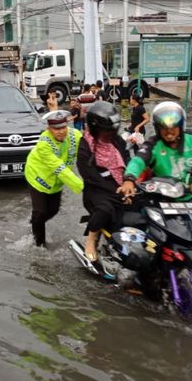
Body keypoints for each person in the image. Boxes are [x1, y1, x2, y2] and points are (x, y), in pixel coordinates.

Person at [118, 101, 192, 257]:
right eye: (164, 129)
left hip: (191, 198)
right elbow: (138, 161)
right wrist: (129, 179)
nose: (169, 133)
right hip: (162, 201)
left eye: (173, 128)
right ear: (158, 129)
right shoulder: (153, 144)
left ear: (181, 126)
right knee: (158, 241)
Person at [76, 101, 129, 263]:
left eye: (111, 132)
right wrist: (117, 191)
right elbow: (90, 176)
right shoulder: (85, 145)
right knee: (105, 209)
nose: (109, 136)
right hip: (96, 191)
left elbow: (129, 163)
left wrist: (129, 186)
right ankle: (91, 239)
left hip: (121, 188)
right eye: (105, 133)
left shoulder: (118, 142)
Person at [25, 110, 84, 247]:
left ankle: (35, 223)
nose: (61, 132)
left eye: (63, 127)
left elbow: (89, 150)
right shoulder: (44, 144)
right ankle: (38, 245)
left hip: (56, 182)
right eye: (56, 129)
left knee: (53, 210)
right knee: (40, 212)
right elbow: (60, 169)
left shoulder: (75, 135)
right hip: (37, 177)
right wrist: (84, 187)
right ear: (49, 129)